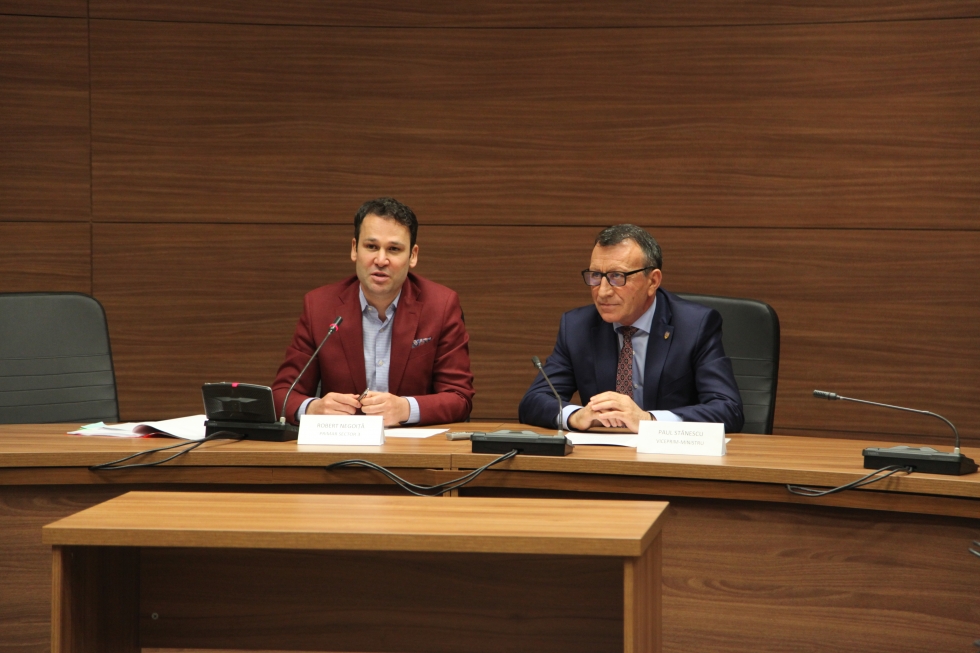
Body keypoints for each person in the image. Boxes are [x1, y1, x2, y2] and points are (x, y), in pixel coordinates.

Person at [519, 224, 743, 433]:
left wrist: (649, 420)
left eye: (617, 276)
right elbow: (534, 401)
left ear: (652, 281)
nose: (603, 292)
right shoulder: (577, 326)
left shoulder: (694, 325)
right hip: (603, 454)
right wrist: (575, 416)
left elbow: (727, 409)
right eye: (596, 275)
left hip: (673, 454)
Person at [273, 197, 474, 427]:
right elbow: (282, 395)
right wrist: (313, 408)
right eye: (371, 247)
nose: (381, 260)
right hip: (341, 442)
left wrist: (405, 409)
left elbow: (460, 397)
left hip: (412, 444)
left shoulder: (440, 306)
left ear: (413, 255)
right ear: (354, 249)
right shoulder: (319, 307)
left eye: (394, 249)